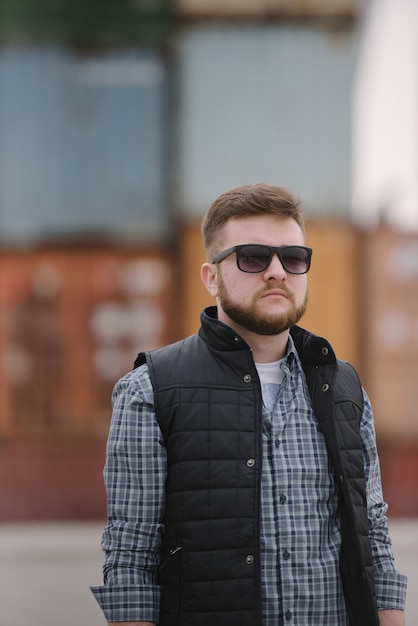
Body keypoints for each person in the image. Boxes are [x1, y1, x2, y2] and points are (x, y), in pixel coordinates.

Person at [91, 183, 407, 626]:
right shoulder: (149, 391)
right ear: (211, 276)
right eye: (253, 257)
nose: (277, 272)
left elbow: (372, 535)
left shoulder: (344, 386)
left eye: (293, 258)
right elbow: (131, 558)